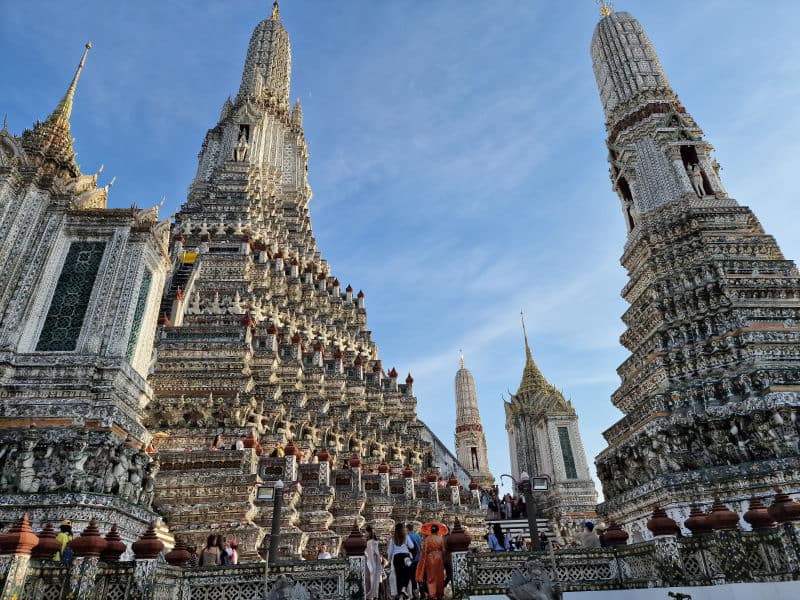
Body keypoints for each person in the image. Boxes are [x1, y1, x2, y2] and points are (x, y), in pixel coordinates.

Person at [416, 525, 445, 600]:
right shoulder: (441, 538)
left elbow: (424, 551)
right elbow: (444, 550)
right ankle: (439, 594)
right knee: (439, 577)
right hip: (439, 558)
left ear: (431, 531)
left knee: (431, 577)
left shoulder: (427, 539)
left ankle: (432, 594)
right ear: (437, 531)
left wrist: (423, 562)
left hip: (430, 558)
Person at [388, 522, 415, 600]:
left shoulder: (393, 539)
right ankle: (404, 588)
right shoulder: (406, 536)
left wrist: (389, 560)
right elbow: (411, 546)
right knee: (407, 574)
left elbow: (390, 551)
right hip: (405, 557)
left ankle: (400, 596)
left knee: (398, 577)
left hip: (396, 558)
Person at [364, 526, 384, 600]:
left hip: (370, 565)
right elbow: (378, 555)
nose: (364, 533)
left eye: (365, 532)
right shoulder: (374, 542)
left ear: (369, 532)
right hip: (375, 565)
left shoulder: (369, 542)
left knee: (371, 585)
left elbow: (369, 555)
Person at [406, 523, 422, 599]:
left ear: (407, 529)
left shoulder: (408, 537)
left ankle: (415, 595)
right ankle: (422, 593)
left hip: (412, 560)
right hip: (419, 559)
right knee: (419, 577)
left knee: (413, 577)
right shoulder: (418, 536)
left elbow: (409, 548)